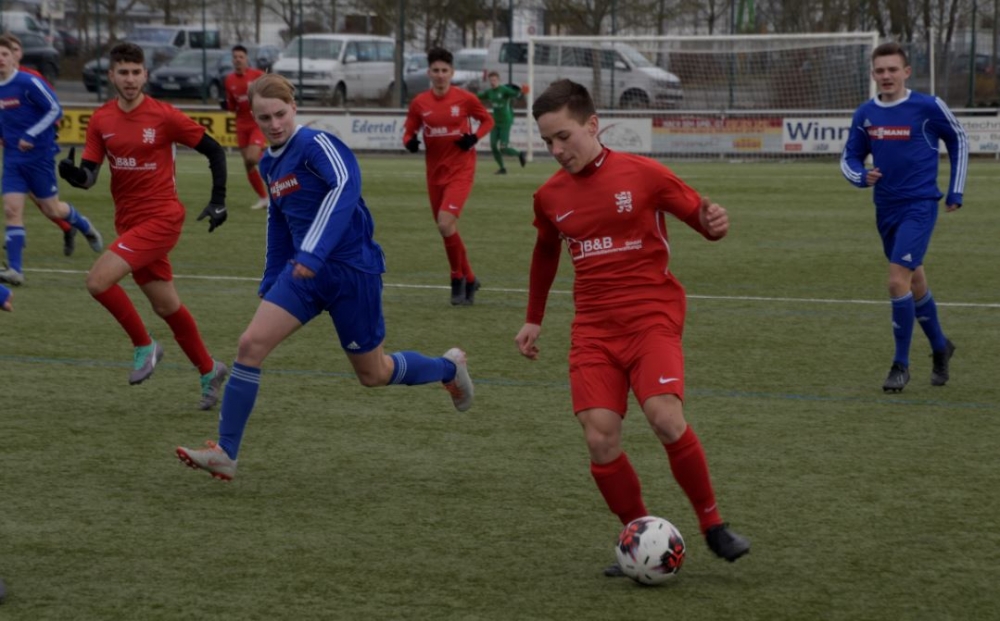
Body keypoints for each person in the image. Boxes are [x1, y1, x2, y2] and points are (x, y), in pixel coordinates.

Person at [175, 74, 475, 481]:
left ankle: (448, 369)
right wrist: (272, 277)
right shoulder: (269, 164)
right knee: (250, 345)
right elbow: (279, 221)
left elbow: (344, 187)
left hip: (352, 271)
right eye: (264, 118)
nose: (274, 124)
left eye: (280, 114)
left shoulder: (317, 144)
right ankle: (226, 453)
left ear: (294, 108)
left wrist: (314, 251)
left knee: (373, 374)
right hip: (303, 274)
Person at [513, 79, 750, 575]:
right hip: (594, 330)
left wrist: (714, 224)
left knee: (664, 416)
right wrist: (534, 317)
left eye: (563, 137)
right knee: (600, 439)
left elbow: (700, 218)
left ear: (593, 125)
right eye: (548, 141)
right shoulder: (549, 196)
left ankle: (713, 525)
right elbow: (545, 252)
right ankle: (639, 537)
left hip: (651, 317)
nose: (556, 150)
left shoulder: (644, 174)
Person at [57, 42, 230, 409]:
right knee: (167, 307)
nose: (130, 79)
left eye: (136, 72)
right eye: (123, 72)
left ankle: (144, 345)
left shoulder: (164, 116)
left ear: (145, 75)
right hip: (130, 224)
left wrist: (218, 199)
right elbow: (90, 176)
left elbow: (214, 150)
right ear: (111, 75)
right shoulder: (101, 120)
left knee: (97, 281)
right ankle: (209, 369)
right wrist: (73, 175)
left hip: (163, 218)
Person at [841, 42, 966, 393]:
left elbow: (958, 139)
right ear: (873, 74)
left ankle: (900, 365)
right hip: (886, 208)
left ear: (906, 72)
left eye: (893, 69)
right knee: (915, 282)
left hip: (920, 206)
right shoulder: (866, 113)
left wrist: (956, 190)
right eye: (880, 70)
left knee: (897, 281)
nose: (887, 75)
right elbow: (849, 157)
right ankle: (940, 347)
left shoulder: (927, 106)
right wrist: (860, 176)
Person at [0, 35, 103, 286]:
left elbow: (55, 109)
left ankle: (84, 225)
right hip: (13, 159)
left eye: (4, 54)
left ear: (14, 57)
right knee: (11, 210)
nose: (0, 59)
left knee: (52, 209)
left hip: (40, 157)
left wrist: (31, 134)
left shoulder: (28, 82)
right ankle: (15, 271)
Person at [403, 47, 494, 306]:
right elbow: (409, 131)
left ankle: (457, 278)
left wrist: (473, 138)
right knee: (447, 229)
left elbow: (487, 121)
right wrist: (410, 142)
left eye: (445, 70)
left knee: (445, 223)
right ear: (429, 73)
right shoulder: (420, 103)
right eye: (436, 70)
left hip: (461, 171)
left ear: (452, 73)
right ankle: (471, 279)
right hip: (434, 174)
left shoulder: (465, 99)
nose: (440, 75)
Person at [7, 32, 80, 256]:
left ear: (19, 54)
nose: (9, 55)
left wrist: (39, 135)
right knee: (20, 197)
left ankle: (65, 227)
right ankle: (15, 234)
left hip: (36, 148)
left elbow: (52, 107)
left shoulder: (31, 78)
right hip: (12, 148)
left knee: (38, 199)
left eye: (14, 50)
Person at [223, 44, 269, 210]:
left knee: (252, 158)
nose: (238, 60)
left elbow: (271, 89)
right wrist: (226, 105)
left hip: (256, 122)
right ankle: (263, 198)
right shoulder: (229, 80)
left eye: (241, 57)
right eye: (235, 57)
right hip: (241, 124)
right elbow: (231, 104)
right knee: (248, 164)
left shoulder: (257, 75)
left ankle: (277, 163)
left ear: (246, 59)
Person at [478, 71, 527, 175]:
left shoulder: (504, 90)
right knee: (493, 146)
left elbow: (516, 94)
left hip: (505, 121)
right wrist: (465, 95)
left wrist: (522, 91)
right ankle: (502, 168)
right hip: (495, 122)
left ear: (499, 80)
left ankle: (519, 154)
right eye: (491, 80)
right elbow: (478, 96)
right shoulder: (489, 92)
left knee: (504, 148)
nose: (493, 82)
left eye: (494, 80)